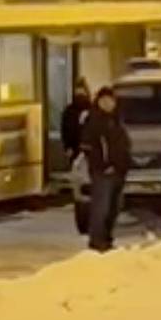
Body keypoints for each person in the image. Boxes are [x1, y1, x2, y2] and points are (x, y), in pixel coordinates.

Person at [80, 86, 131, 252]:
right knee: (101, 207)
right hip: (102, 172)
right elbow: (89, 148)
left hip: (118, 171)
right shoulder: (94, 121)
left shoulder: (117, 120)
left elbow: (123, 145)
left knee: (114, 207)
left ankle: (107, 238)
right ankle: (97, 241)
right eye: (104, 100)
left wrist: (124, 165)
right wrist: (103, 166)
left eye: (110, 100)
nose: (107, 104)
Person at [60, 78, 91, 163]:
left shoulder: (92, 109)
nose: (80, 95)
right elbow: (65, 130)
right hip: (74, 148)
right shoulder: (69, 111)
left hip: (88, 150)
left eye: (82, 93)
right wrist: (67, 147)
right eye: (78, 92)